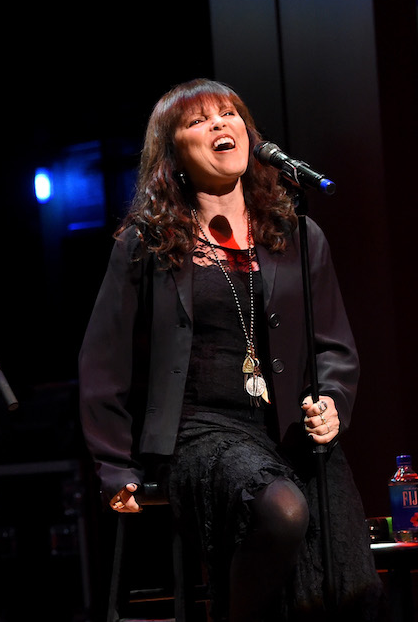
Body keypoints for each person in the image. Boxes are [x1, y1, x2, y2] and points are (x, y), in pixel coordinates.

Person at [78, 79, 384, 621]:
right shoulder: (146, 243)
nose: (220, 124)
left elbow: (333, 345)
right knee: (283, 510)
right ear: (173, 154)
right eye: (198, 121)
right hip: (198, 431)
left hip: (288, 427)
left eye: (229, 114)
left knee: (345, 578)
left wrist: (332, 401)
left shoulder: (297, 234)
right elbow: (104, 361)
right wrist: (113, 464)